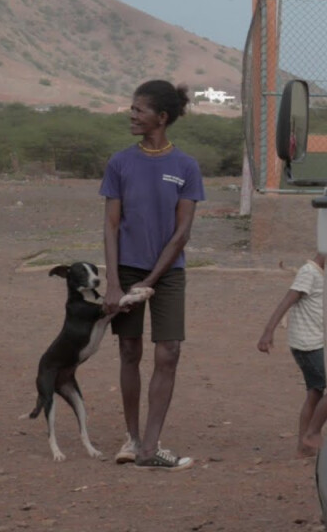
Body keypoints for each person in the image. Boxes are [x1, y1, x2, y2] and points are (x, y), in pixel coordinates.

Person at [100, 80, 205, 471]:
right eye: (132, 108)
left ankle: (151, 445)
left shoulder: (186, 167)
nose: (132, 114)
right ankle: (131, 439)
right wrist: (114, 281)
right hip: (126, 268)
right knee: (129, 351)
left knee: (169, 352)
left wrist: (151, 281)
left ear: (161, 117)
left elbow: (182, 234)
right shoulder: (120, 163)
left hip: (169, 273)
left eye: (139, 110)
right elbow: (111, 226)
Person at [257, 254, 327, 457]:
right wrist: (268, 331)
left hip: (314, 342)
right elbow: (286, 301)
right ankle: (312, 434)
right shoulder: (309, 273)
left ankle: (304, 448)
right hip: (307, 345)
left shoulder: (324, 274)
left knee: (315, 392)